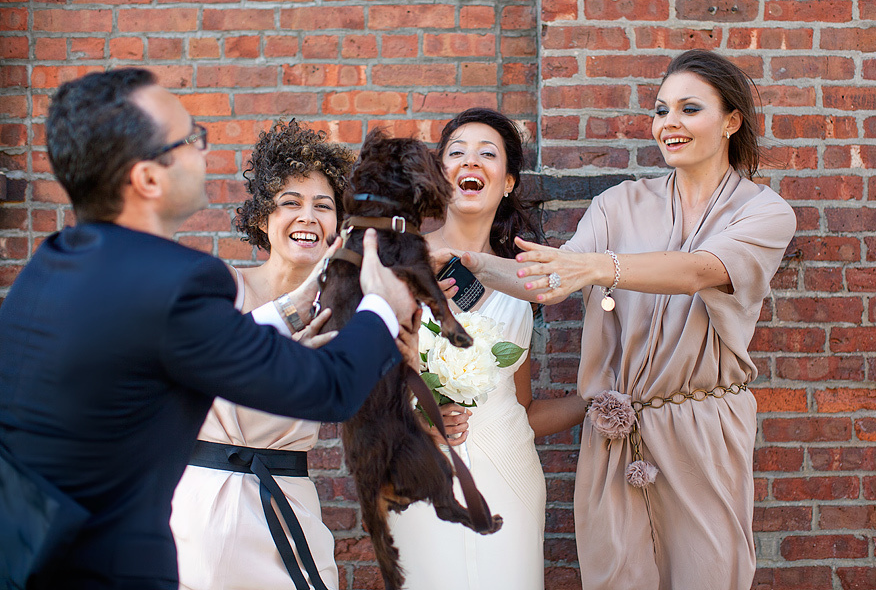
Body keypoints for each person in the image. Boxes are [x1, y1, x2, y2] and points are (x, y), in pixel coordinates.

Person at [0, 68, 418, 589]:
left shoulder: (53, 264)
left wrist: (285, 312)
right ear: (148, 178)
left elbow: (162, 351)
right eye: (191, 139)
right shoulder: (180, 283)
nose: (204, 151)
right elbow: (329, 389)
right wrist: (382, 305)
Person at [458, 51, 797, 589]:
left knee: (709, 573)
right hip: (616, 430)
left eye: (689, 109)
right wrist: (469, 262)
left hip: (702, 427)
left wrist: (596, 266)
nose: (670, 124)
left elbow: (698, 271)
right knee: (617, 575)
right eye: (662, 111)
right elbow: (550, 279)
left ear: (731, 120)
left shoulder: (763, 212)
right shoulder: (619, 204)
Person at [388, 108, 587, 590]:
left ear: (508, 181)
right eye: (455, 153)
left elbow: (522, 408)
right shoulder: (398, 262)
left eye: (487, 153)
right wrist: (417, 422)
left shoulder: (526, 284)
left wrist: (600, 402)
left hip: (510, 476)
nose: (469, 161)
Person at [170, 121, 353, 590]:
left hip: (288, 504)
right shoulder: (222, 285)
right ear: (262, 218)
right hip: (205, 510)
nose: (308, 216)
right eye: (290, 202)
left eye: (323, 206)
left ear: (337, 228)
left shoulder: (344, 315)